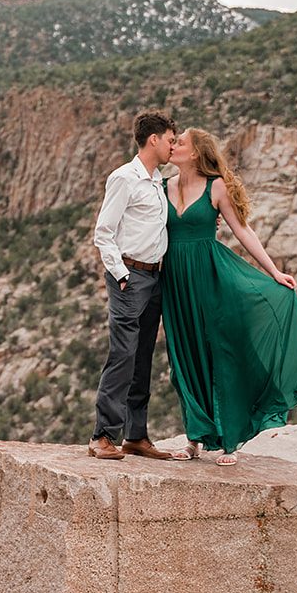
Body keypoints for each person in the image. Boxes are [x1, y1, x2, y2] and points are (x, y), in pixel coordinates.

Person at [161, 127, 297, 465]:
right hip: (174, 283)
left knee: (219, 353)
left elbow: (242, 229)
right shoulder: (164, 185)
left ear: (195, 153)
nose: (173, 145)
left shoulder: (216, 186)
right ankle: (194, 439)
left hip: (211, 277)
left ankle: (229, 442)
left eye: (179, 142)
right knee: (184, 359)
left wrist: (273, 272)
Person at [88, 110, 177, 461]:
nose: (173, 145)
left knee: (142, 356)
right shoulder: (124, 178)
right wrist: (122, 274)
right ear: (153, 139)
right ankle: (102, 435)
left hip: (155, 276)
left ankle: (135, 435)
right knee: (123, 353)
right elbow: (103, 232)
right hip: (130, 277)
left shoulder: (157, 182)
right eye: (170, 139)